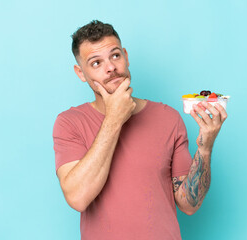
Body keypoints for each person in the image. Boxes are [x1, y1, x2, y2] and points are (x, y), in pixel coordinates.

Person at [53, 20, 228, 240]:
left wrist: (205, 148)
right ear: (81, 73)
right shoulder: (69, 123)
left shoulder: (167, 118)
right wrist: (114, 118)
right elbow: (78, 197)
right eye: (96, 63)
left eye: (115, 55)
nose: (110, 68)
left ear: (125, 56)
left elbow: (189, 204)